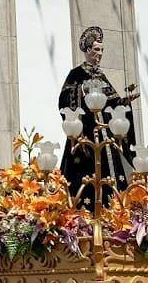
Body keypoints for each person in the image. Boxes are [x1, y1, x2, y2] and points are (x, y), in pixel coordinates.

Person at [57, 27, 137, 205]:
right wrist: (82, 93)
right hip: (85, 134)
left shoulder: (102, 76)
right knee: (84, 177)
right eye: (96, 50)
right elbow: (64, 100)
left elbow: (113, 102)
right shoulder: (76, 74)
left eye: (101, 50)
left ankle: (112, 208)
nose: (99, 54)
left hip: (105, 136)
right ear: (87, 51)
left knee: (111, 177)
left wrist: (124, 103)